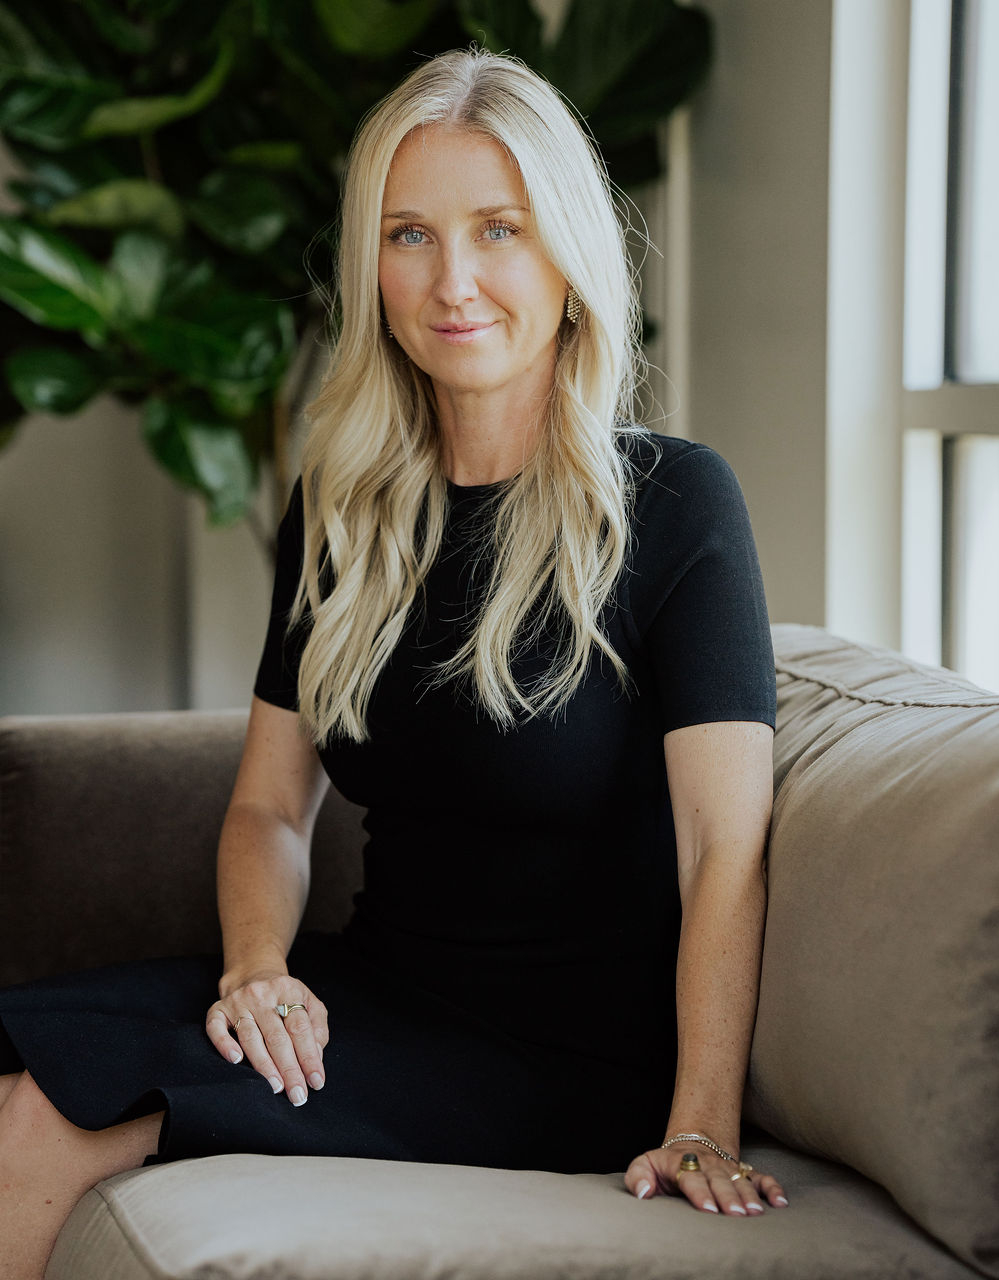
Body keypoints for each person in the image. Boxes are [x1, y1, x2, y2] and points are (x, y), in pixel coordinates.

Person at [0, 46, 787, 1279]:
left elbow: (722, 848)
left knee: (52, 1117)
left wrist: (700, 1118)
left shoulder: (674, 504)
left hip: (556, 1059)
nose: (451, 281)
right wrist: (259, 968)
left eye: (497, 230)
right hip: (369, 993)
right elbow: (268, 808)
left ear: (568, 253)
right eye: (409, 235)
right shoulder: (345, 508)